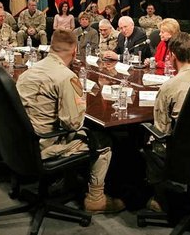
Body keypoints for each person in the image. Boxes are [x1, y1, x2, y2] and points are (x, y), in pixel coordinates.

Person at [16, 29, 125, 213]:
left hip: (22, 142)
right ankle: (95, 200)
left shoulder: (30, 71)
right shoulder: (65, 77)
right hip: (44, 146)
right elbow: (72, 123)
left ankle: (67, 181)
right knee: (102, 140)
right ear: (74, 51)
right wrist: (81, 100)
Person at [143, 32, 190, 212]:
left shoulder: (169, 86)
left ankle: (159, 199)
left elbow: (161, 128)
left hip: (180, 153)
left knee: (149, 140)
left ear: (172, 56)